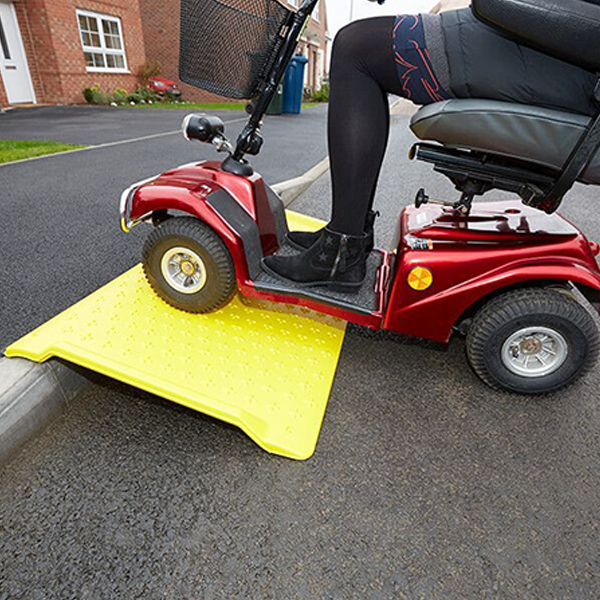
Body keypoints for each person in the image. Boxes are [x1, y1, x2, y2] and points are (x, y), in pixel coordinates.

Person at [262, 8, 598, 292]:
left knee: (356, 47)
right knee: (359, 43)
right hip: (559, 41)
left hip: (562, 51)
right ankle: (347, 234)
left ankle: (341, 250)